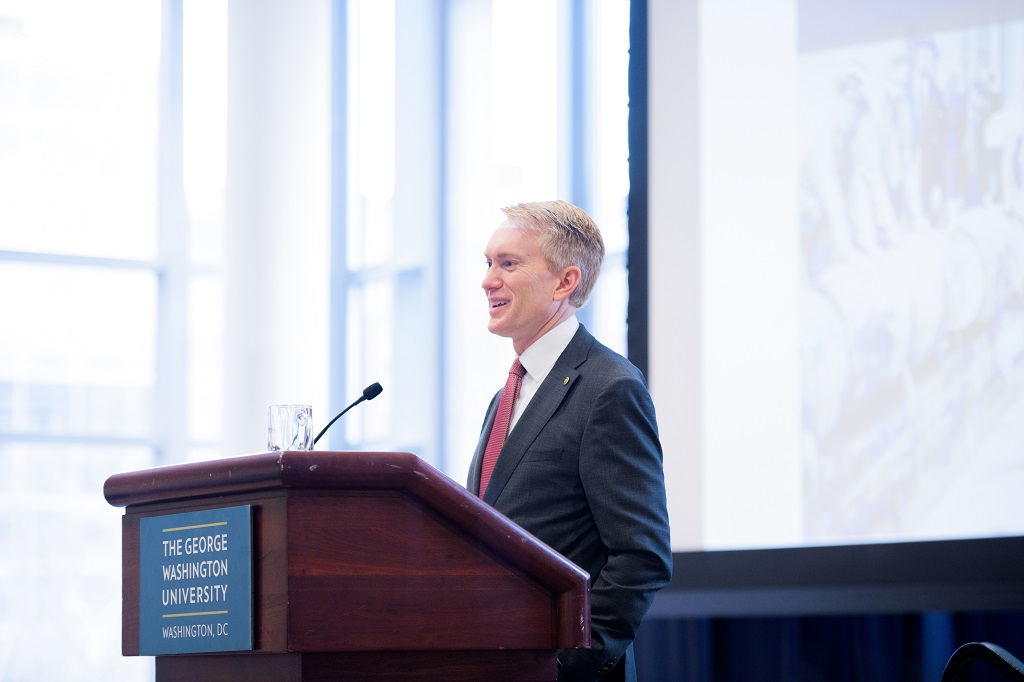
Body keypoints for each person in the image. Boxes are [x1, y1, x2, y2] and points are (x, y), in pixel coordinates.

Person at [467, 200, 672, 682]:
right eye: (489, 263)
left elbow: (641, 556)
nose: (488, 280)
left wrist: (564, 665)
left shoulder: (609, 388)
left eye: (508, 264)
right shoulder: (505, 397)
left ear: (565, 282)